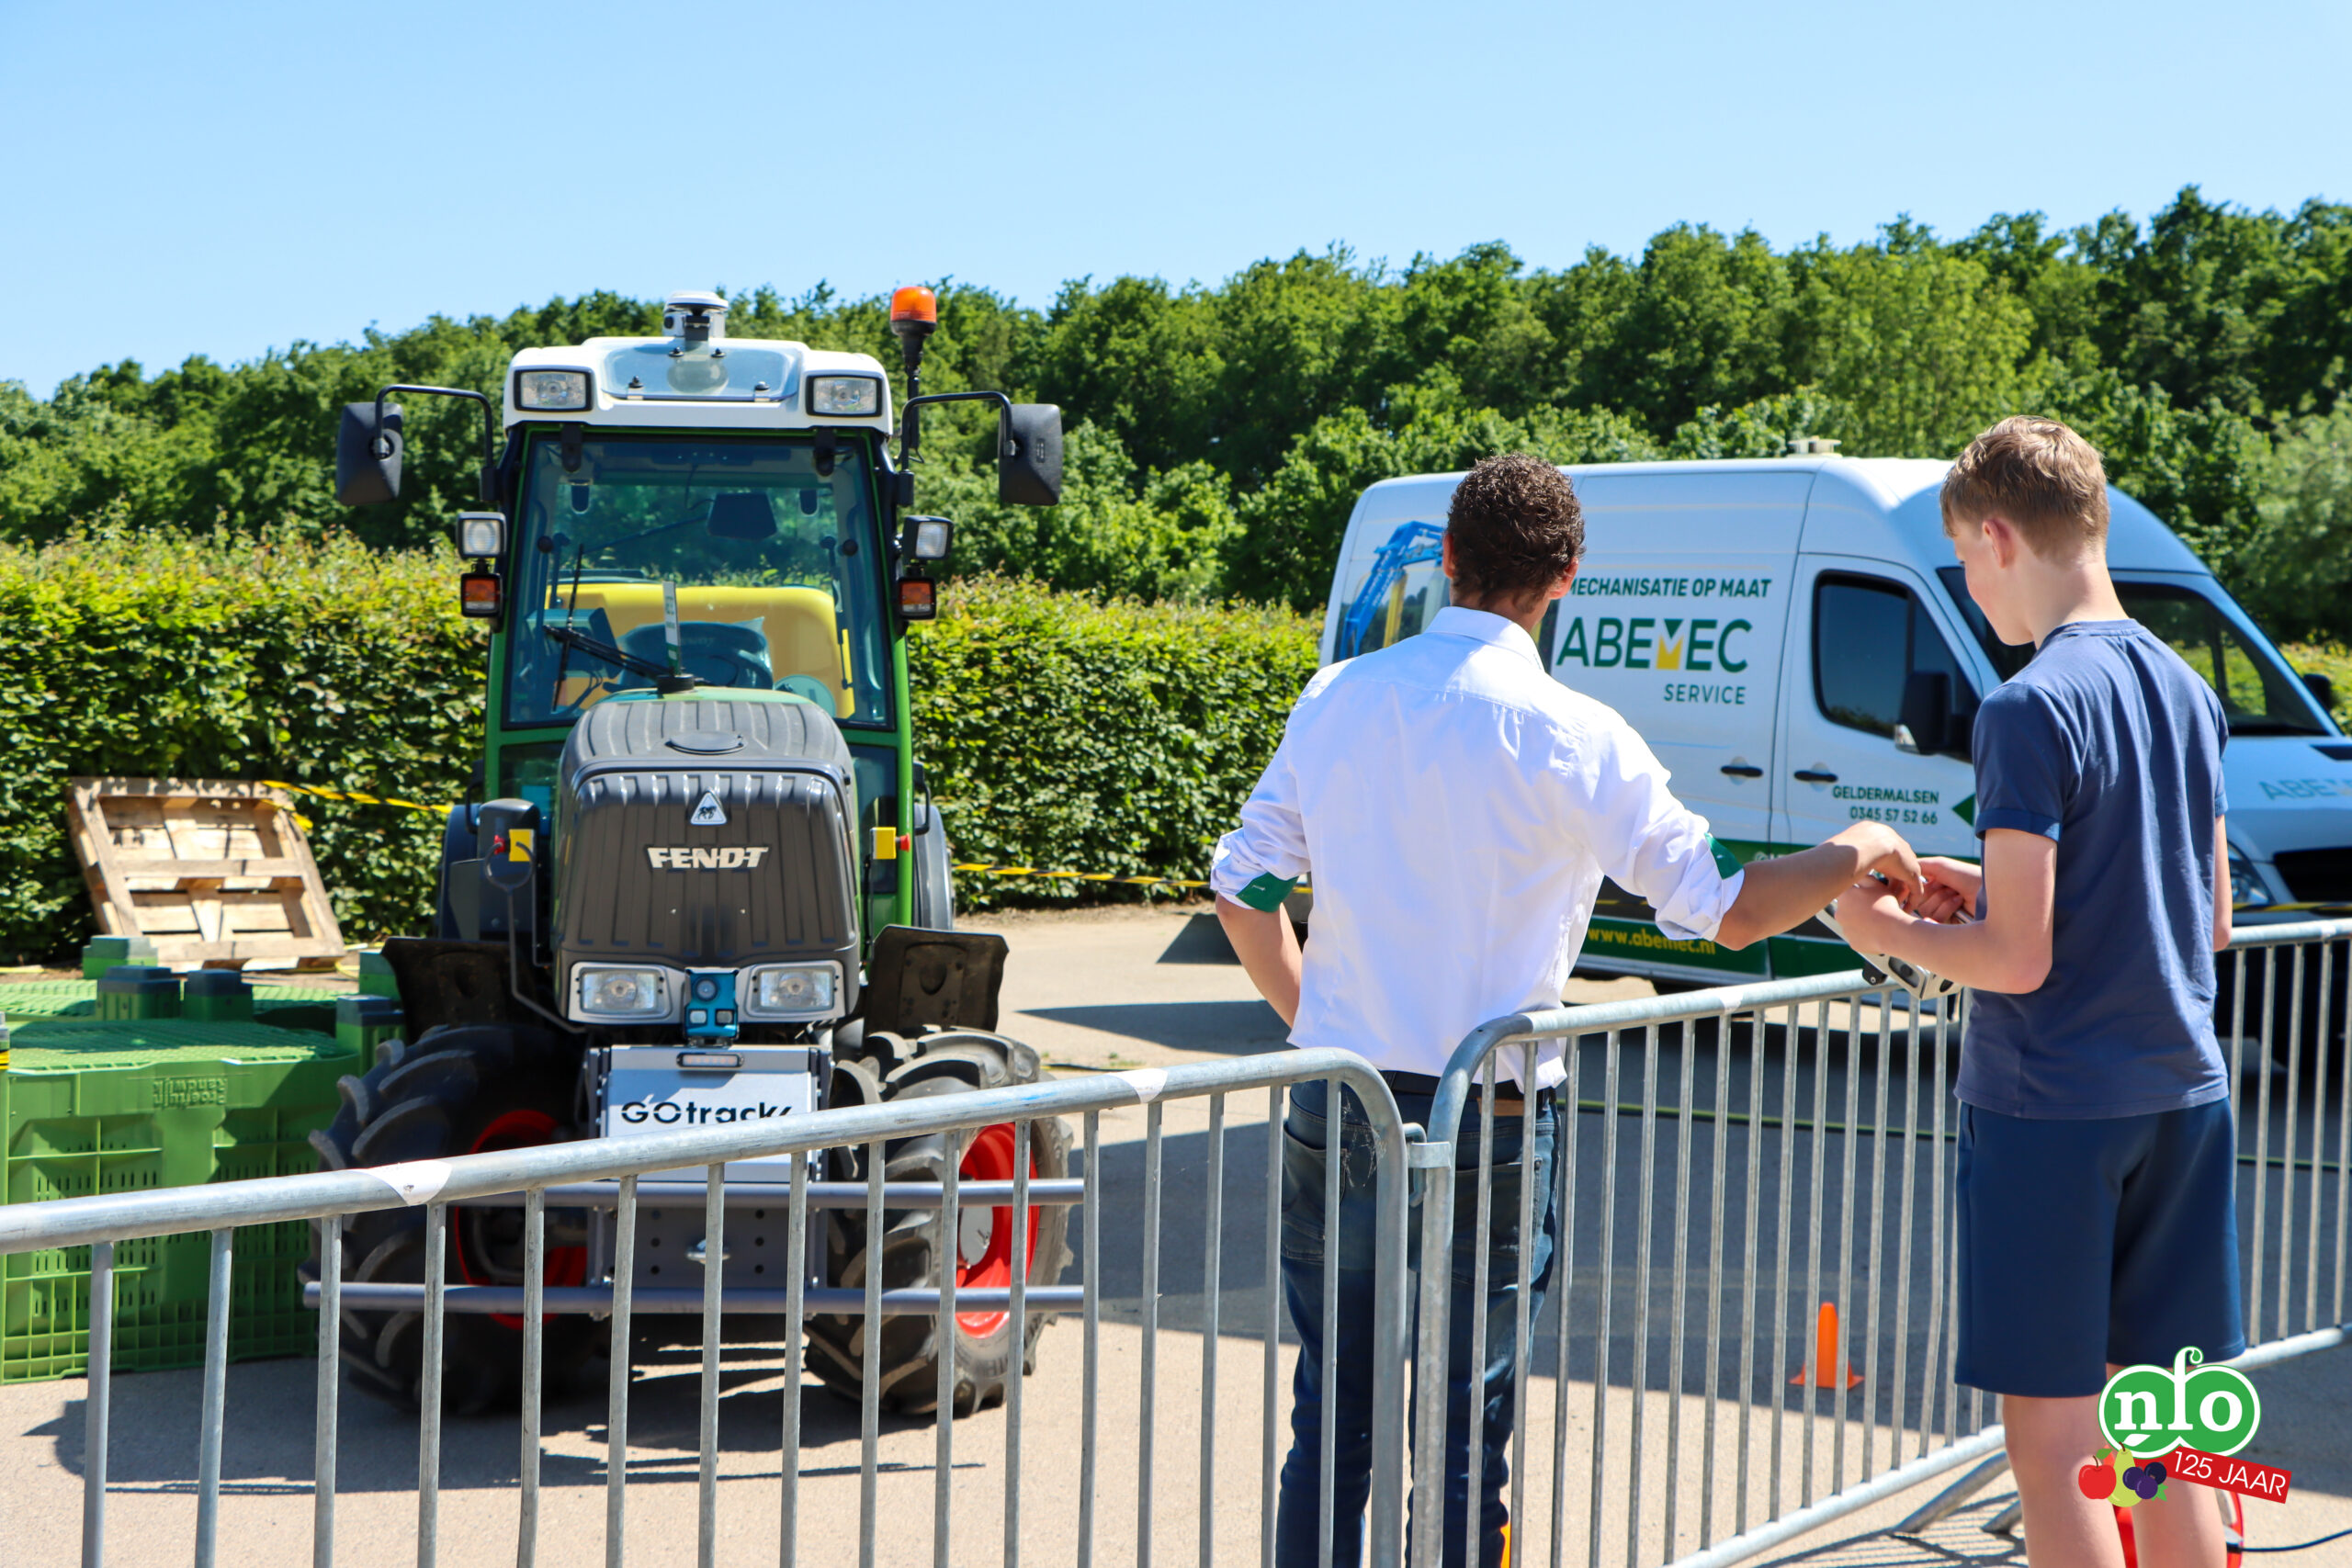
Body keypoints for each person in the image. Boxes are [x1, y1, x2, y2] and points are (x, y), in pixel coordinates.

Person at [1212, 453, 1926, 1568]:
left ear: (1448, 558)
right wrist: (1859, 847)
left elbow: (1243, 889)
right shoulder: (1579, 735)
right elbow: (1729, 911)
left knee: (1334, 1412)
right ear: (1566, 578)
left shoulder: (1338, 697)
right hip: (1492, 1112)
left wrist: (1315, 1024)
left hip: (1343, 1097)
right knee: (1463, 1429)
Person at [1834, 416, 2241, 1568]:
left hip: (2052, 1109)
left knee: (2057, 1450)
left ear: (1999, 537)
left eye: (1964, 558)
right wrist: (1991, 891)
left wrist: (1874, 924)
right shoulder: (2184, 688)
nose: (1970, 589)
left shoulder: (2026, 705)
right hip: (2182, 1095)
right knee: (2163, 1441)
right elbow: (2205, 918)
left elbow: (2016, 961)